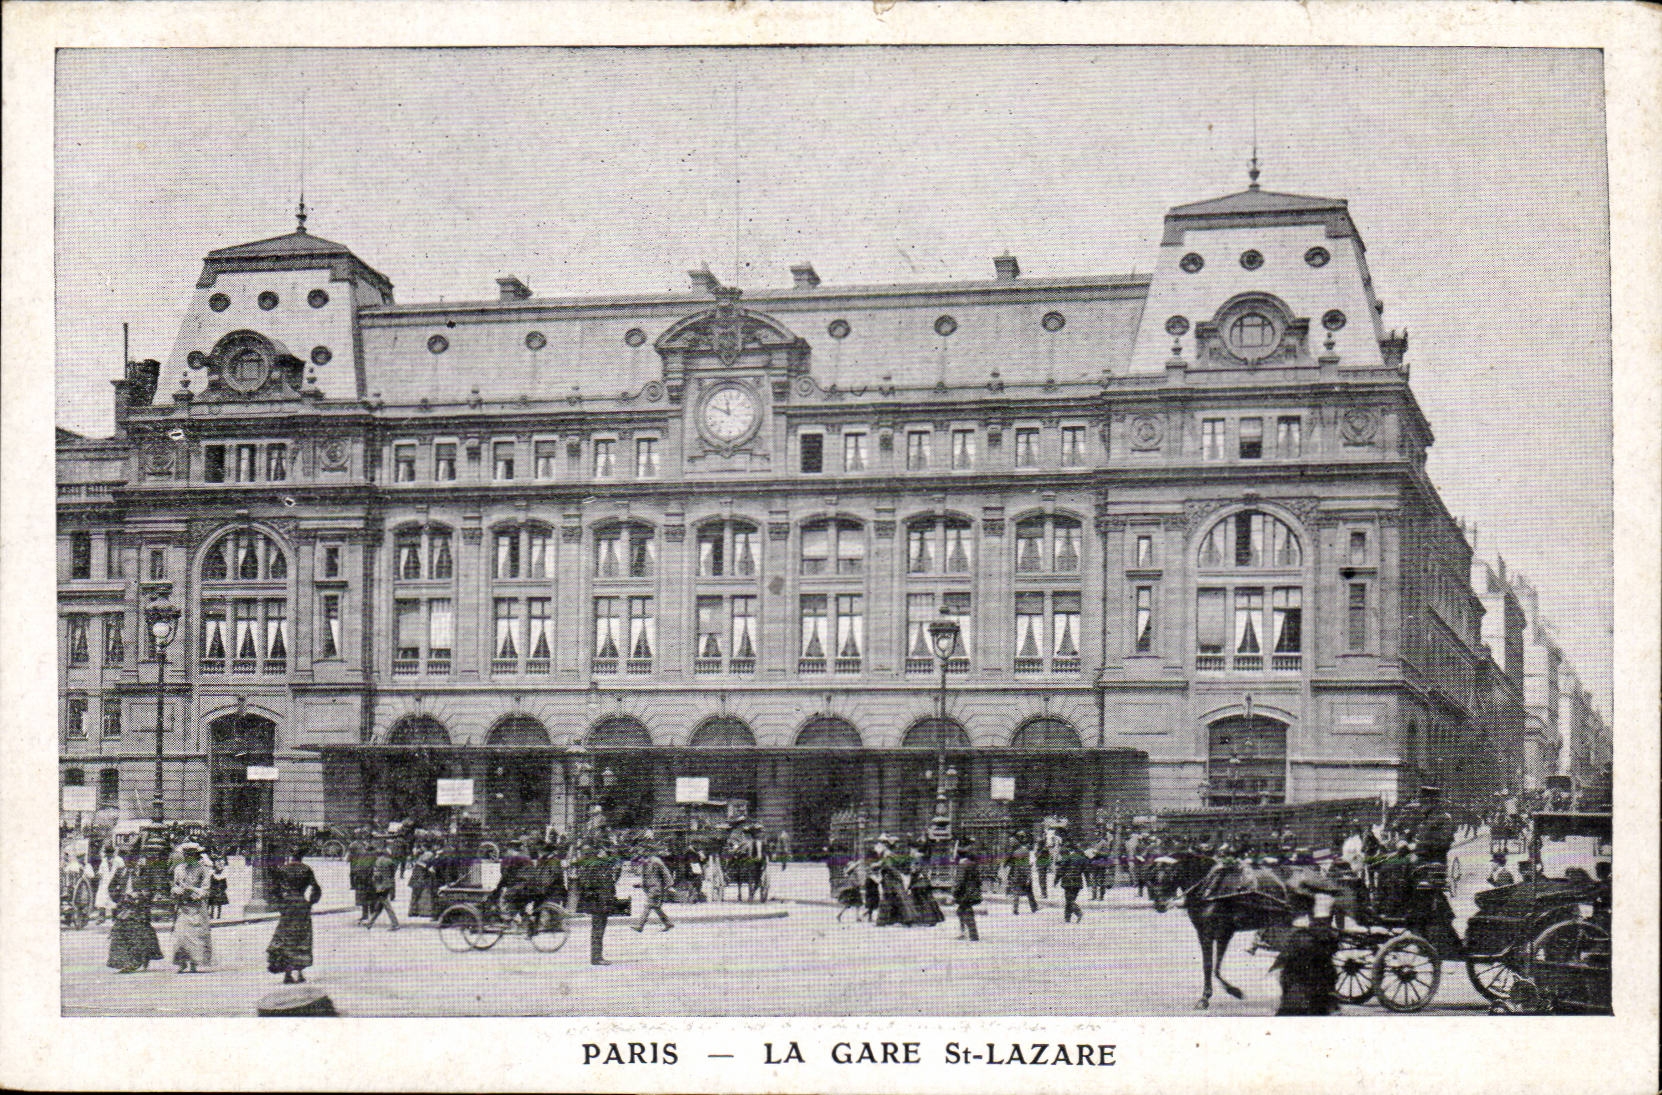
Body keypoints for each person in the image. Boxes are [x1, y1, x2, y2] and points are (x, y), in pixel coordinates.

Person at [266, 845, 323, 984]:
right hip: (302, 906)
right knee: (302, 938)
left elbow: (274, 890)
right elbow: (316, 888)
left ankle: (287, 973)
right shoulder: (306, 869)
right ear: (302, 856)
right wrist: (310, 903)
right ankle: (300, 973)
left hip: (288, 905)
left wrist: (280, 903)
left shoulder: (284, 869)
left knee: (286, 937)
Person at [106, 852, 163, 973]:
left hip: (140, 908)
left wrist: (141, 895)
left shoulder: (145, 872)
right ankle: (124, 961)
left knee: (138, 934)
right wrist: (119, 898)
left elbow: (153, 888)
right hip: (124, 907)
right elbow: (111, 887)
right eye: (127, 861)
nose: (129, 863)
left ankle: (135, 961)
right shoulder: (121, 872)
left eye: (132, 860)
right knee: (120, 933)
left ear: (136, 860)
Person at [572, 839, 621, 965]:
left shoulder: (596, 864)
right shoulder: (595, 865)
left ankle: (597, 956)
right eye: (605, 851)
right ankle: (596, 957)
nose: (607, 853)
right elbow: (590, 883)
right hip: (599, 901)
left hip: (601, 900)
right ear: (599, 852)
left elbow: (612, 878)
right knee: (598, 928)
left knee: (598, 928)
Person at [169, 842, 213, 973]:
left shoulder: (203, 870)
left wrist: (191, 890)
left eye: (191, 855)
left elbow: (206, 890)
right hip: (183, 906)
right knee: (181, 935)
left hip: (197, 907)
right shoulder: (179, 869)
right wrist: (177, 891)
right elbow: (175, 885)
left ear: (196, 855)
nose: (188, 857)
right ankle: (182, 962)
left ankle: (194, 962)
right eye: (186, 855)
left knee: (196, 935)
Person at [631, 843, 675, 933]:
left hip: (655, 888)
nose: (640, 852)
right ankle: (668, 923)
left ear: (647, 850)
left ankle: (640, 926)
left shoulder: (656, 860)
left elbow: (665, 872)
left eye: (641, 850)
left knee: (647, 906)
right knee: (656, 907)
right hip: (649, 888)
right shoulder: (644, 861)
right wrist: (640, 884)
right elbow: (643, 874)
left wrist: (669, 885)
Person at [1407, 785, 1456, 866]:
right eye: (1420, 801)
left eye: (1424, 802)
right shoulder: (1421, 818)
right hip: (1418, 856)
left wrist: (1420, 845)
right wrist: (1403, 841)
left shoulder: (1444, 818)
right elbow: (1410, 832)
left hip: (1435, 859)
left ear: (1433, 802)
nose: (1420, 804)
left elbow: (1444, 841)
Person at [904, 840, 945, 927]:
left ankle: (926, 919)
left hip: (919, 883)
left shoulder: (916, 858)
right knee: (927, 899)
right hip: (924, 881)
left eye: (911, 849)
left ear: (914, 849)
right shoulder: (922, 857)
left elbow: (915, 870)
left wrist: (911, 882)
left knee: (921, 901)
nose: (910, 851)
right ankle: (932, 918)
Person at [950, 838, 983, 941]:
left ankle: (972, 934)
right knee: (962, 911)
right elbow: (978, 880)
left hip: (964, 893)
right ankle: (966, 932)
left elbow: (960, 881)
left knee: (965, 912)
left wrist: (954, 892)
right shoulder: (972, 864)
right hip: (972, 892)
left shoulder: (963, 866)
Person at [364, 843, 400, 931]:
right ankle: (370, 923)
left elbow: (377, 875)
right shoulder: (390, 861)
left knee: (386, 906)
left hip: (380, 886)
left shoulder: (378, 861)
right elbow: (392, 873)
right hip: (388, 885)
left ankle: (395, 924)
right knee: (379, 906)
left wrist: (373, 881)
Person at [1055, 840, 1088, 923]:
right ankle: (1067, 918)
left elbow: (1060, 870)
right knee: (1070, 899)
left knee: (1069, 900)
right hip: (1078, 881)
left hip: (1068, 880)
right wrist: (1089, 883)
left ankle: (1078, 912)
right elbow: (1086, 871)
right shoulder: (1082, 858)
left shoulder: (1068, 857)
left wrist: (1056, 880)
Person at [94, 842, 125, 924]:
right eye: (107, 853)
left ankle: (114, 917)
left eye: (110, 853)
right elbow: (101, 871)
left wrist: (120, 881)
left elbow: (123, 871)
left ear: (113, 853)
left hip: (114, 883)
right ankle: (101, 917)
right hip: (104, 883)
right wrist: (98, 875)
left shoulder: (119, 860)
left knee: (114, 899)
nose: (108, 855)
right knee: (101, 899)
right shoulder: (104, 861)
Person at [1006, 840, 1037, 915]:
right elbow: (1025, 865)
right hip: (1024, 874)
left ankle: (1015, 909)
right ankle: (1034, 908)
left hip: (1017, 875)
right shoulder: (1025, 851)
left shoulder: (1014, 853)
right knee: (1029, 892)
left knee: (1016, 893)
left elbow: (1011, 864)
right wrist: (1028, 876)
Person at [349, 846, 376, 925]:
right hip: (368, 881)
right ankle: (371, 914)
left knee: (364, 899)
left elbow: (355, 868)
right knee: (370, 898)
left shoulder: (362, 856)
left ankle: (365, 915)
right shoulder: (373, 857)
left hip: (362, 880)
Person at [206, 854, 230, 919]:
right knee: (213, 903)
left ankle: (217, 915)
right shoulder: (212, 874)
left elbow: (225, 885)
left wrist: (222, 889)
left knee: (219, 903)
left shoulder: (222, 876)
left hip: (218, 890)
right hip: (214, 890)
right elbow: (210, 883)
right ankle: (212, 914)